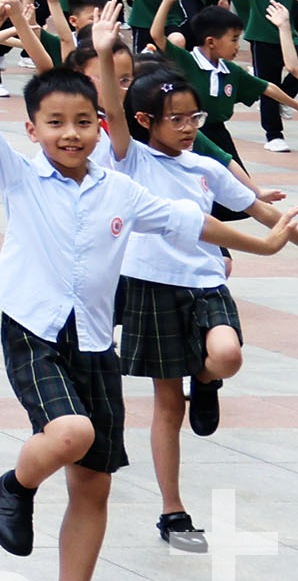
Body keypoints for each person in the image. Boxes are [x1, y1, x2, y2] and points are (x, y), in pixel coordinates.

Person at [0, 61, 291, 581]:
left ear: (99, 126)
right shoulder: (19, 178)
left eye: (80, 122)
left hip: (95, 341)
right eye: (54, 123)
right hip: (34, 331)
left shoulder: (120, 190)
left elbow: (189, 222)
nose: (69, 134)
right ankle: (13, 485)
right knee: (70, 432)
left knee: (93, 488)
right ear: (33, 130)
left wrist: (266, 241)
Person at [105, 65, 282, 553]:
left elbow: (264, 213)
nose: (189, 128)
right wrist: (103, 53)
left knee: (226, 355)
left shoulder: (206, 167)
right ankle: (172, 510)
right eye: (177, 119)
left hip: (205, 283)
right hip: (152, 286)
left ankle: (205, 382)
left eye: (194, 117)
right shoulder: (130, 160)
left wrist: (284, 222)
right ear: (145, 119)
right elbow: (112, 113)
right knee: (166, 406)